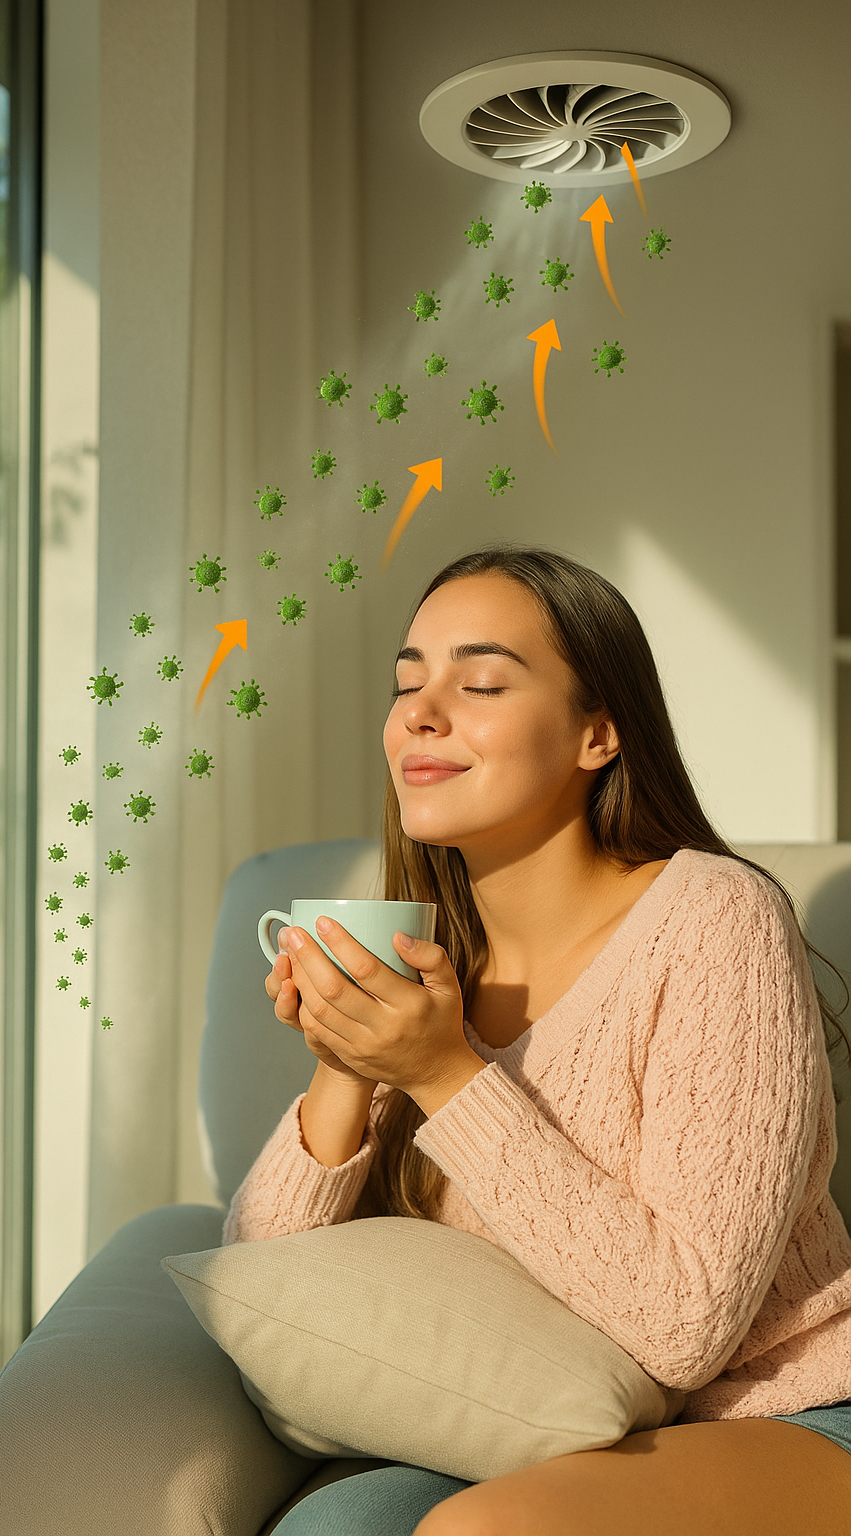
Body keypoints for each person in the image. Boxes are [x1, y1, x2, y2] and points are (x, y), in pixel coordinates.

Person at [232, 544, 851, 1536]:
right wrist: (345, 1063)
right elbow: (267, 1287)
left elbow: (684, 1328)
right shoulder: (430, 957)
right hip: (546, 1430)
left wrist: (445, 1076)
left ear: (596, 733)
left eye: (478, 682)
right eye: (406, 684)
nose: (421, 712)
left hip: (778, 1408)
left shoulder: (714, 919)